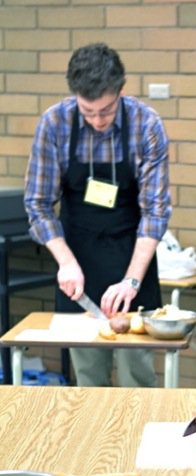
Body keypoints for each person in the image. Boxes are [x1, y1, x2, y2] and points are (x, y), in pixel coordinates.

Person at [25, 42, 171, 386]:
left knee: (138, 377)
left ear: (121, 91)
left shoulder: (146, 124)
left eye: (106, 111)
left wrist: (132, 281)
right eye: (88, 111)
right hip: (78, 262)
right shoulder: (55, 123)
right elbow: (38, 204)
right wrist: (65, 262)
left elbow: (155, 211)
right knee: (89, 379)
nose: (98, 121)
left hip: (131, 256)